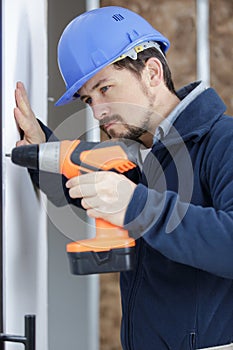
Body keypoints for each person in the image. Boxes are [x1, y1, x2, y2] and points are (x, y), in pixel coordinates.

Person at [14, 6, 233, 350]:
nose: (97, 111)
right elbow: (85, 190)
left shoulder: (224, 141)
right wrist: (41, 151)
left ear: (153, 72)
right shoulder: (144, 155)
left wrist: (136, 206)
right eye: (88, 99)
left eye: (105, 88)